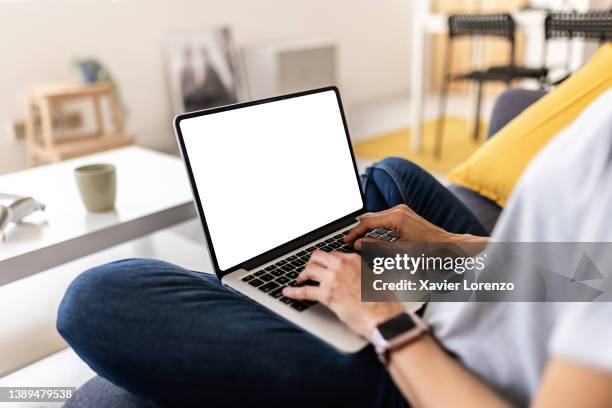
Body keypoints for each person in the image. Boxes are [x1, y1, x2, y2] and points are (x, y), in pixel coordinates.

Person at [57, 90, 612, 407]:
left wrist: (386, 321)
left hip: (435, 376)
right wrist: (452, 247)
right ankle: (289, 284)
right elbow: (592, 274)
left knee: (97, 299)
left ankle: (268, 296)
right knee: (391, 179)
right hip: (496, 296)